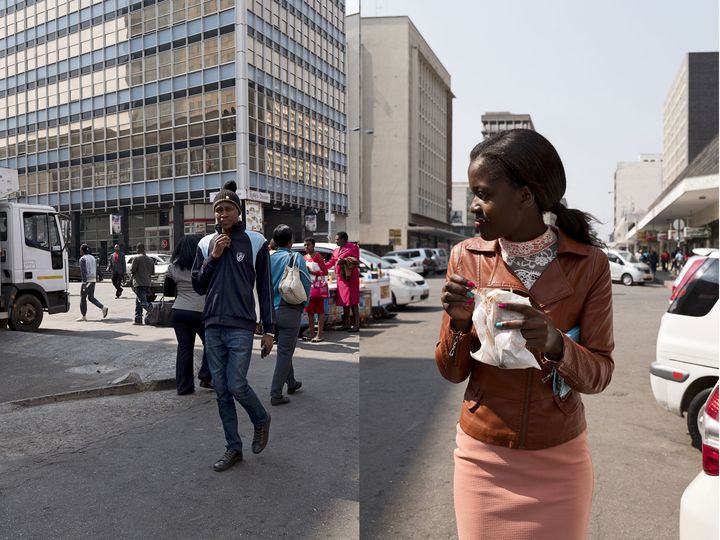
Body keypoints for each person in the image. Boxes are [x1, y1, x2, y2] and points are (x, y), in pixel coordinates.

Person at [436, 129, 614, 540]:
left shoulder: (589, 265)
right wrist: (460, 323)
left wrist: (555, 343)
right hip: (482, 457)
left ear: (526, 195)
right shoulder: (465, 257)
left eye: (483, 193)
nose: (474, 206)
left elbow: (600, 372)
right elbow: (450, 371)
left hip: (560, 460)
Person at [192, 180, 274, 473]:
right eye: (218, 211)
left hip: (241, 325)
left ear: (238, 212)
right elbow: (198, 285)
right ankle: (232, 447)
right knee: (222, 391)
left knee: (237, 384)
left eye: (227, 210)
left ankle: (260, 418)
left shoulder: (255, 242)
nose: (222, 215)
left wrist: (269, 329)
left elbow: (265, 288)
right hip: (212, 324)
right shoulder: (205, 244)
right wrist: (213, 257)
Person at [268, 225, 311, 405]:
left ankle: (291, 382)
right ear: (290, 242)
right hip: (289, 309)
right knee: (285, 352)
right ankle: (276, 394)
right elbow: (306, 284)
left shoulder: (267, 259)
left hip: (270, 312)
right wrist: (304, 305)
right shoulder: (295, 257)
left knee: (285, 350)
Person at [168, 234, 212, 395]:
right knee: (211, 344)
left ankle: (184, 387)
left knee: (184, 349)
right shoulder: (203, 265)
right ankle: (206, 375)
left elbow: (167, 291)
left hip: (179, 311)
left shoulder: (173, 267)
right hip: (201, 311)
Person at [326, 231, 361, 332]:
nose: (335, 241)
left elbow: (356, 260)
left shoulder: (353, 247)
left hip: (350, 277)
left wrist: (344, 260)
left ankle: (357, 325)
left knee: (353, 301)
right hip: (341, 278)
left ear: (343, 239)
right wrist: (321, 266)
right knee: (345, 301)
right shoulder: (336, 250)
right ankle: (346, 324)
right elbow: (332, 261)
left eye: (337, 239)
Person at [302, 237, 329, 342]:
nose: (306, 247)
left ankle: (319, 335)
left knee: (320, 311)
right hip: (308, 287)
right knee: (310, 312)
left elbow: (325, 272)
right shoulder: (304, 257)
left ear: (313, 245)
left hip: (317, 287)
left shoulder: (318, 256)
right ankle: (311, 333)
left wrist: (313, 272)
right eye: (305, 245)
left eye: (308, 244)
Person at [76, 244, 109, 322]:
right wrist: (100, 276)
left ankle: (83, 316)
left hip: (87, 281)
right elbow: (97, 268)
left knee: (83, 298)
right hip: (93, 280)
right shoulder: (92, 257)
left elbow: (83, 272)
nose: (79, 251)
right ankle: (103, 308)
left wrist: (84, 283)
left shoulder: (82, 259)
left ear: (82, 250)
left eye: (80, 250)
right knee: (90, 297)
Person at [130, 243, 155, 325]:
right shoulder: (150, 260)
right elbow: (152, 272)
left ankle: (154, 311)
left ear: (138, 249)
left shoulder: (136, 259)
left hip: (139, 283)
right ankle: (138, 318)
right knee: (138, 300)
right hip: (147, 283)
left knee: (142, 301)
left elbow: (132, 270)